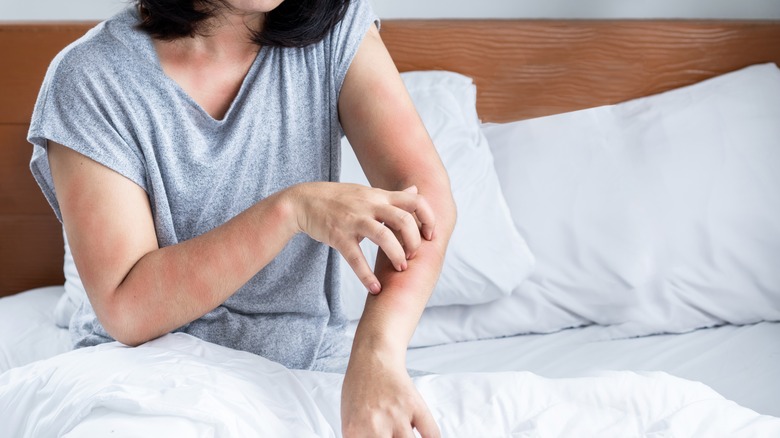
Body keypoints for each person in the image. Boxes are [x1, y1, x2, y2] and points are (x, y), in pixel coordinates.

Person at [28, 0, 455, 436]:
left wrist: (377, 355)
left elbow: (424, 202)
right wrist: (292, 210)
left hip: (308, 371)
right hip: (145, 373)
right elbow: (127, 308)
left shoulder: (336, 31)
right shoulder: (90, 76)